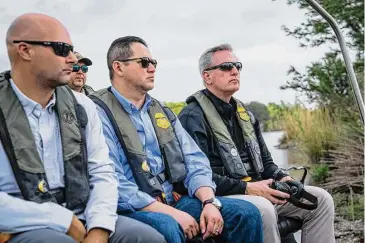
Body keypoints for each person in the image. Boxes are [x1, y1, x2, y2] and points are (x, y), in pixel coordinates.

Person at [0, 13, 166, 243]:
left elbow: (102, 174)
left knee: (149, 238)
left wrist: (99, 228)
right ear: (25, 50)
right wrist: (60, 220)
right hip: (21, 223)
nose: (71, 58)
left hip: (83, 213)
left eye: (71, 49)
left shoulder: (82, 106)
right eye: (61, 48)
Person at [90, 36, 264, 243]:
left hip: (172, 199)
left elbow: (195, 161)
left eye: (153, 63)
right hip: (133, 207)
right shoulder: (97, 113)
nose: (152, 68)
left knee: (246, 214)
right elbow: (112, 180)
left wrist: (209, 202)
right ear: (118, 68)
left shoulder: (161, 112)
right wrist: (170, 213)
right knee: (169, 228)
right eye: (144, 63)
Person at [178, 43, 336, 243]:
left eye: (238, 66)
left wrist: (284, 178)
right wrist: (248, 189)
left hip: (258, 191)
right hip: (224, 195)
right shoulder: (192, 117)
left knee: (321, 199)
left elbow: (267, 163)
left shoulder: (246, 115)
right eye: (227, 67)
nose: (235, 71)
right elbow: (195, 175)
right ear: (207, 76)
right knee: (263, 209)